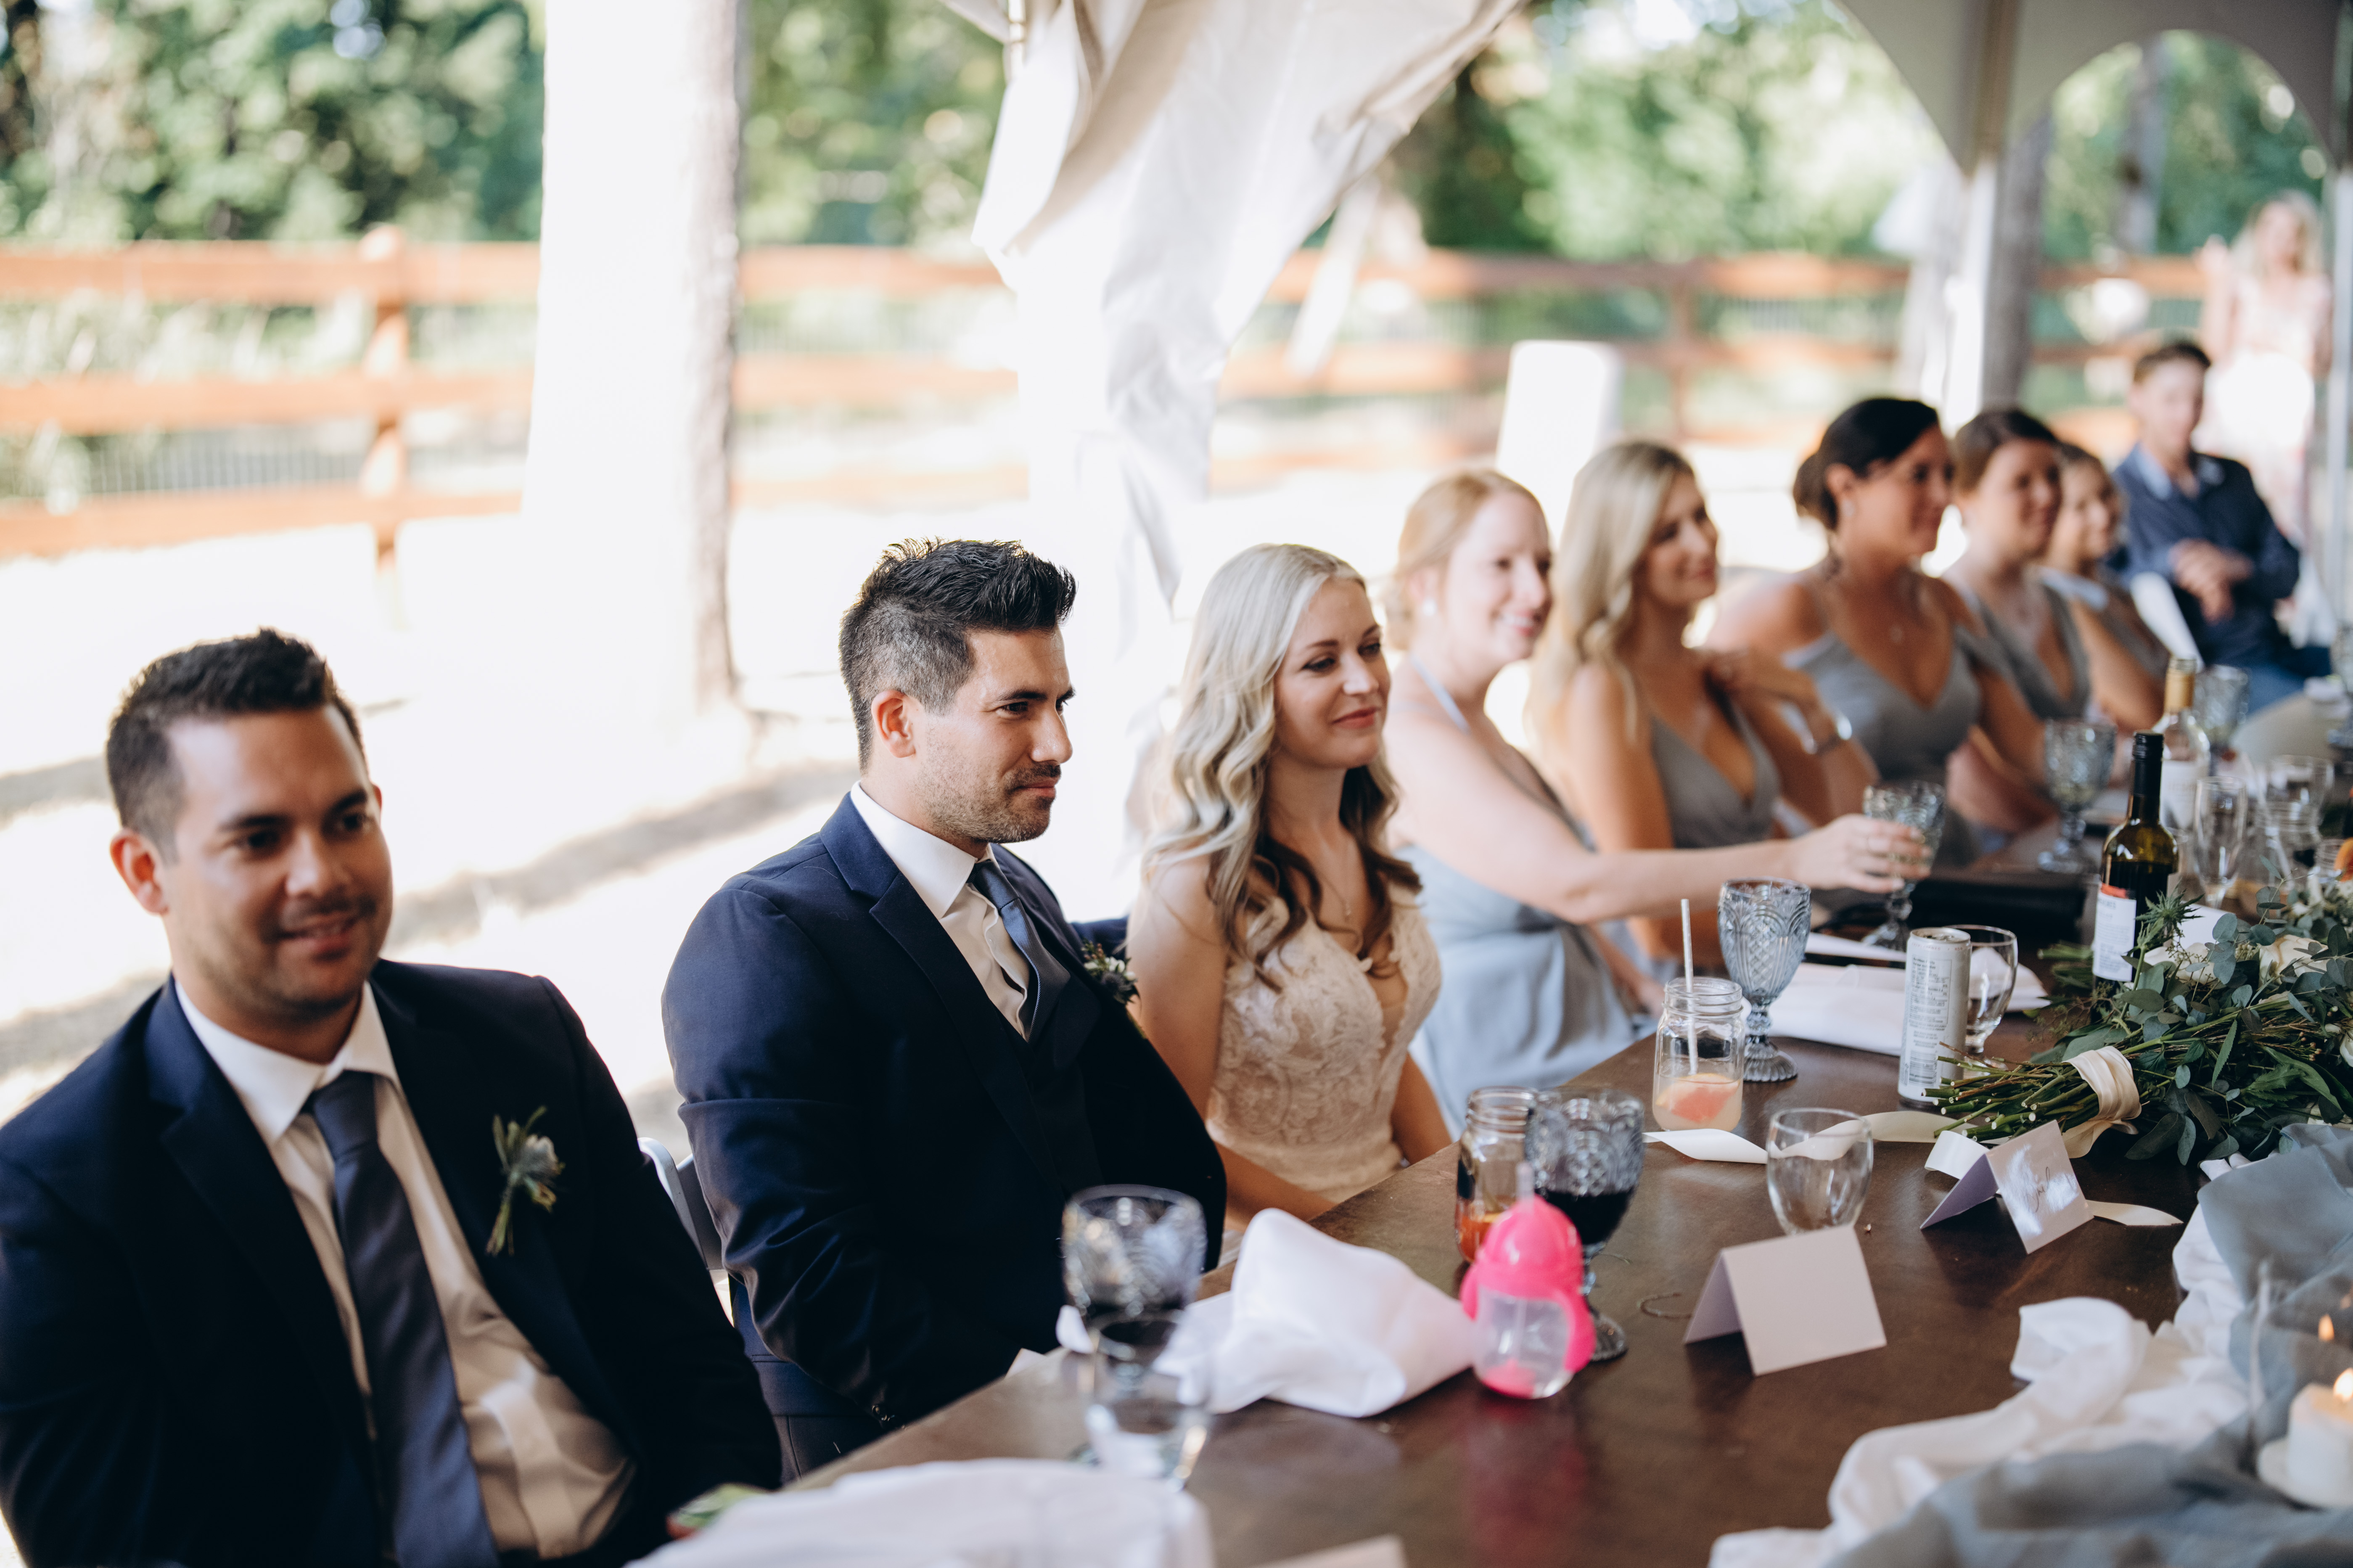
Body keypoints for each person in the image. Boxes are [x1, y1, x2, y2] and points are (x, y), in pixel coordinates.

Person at [0, 630, 778, 1568]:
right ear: (144, 870)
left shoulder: (520, 1038)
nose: (322, 873)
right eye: (259, 839)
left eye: (346, 819)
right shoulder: (53, 1194)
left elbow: (695, 1370)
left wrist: (717, 1541)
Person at [664, 540, 1222, 1481]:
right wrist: (1033, 1393)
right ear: (898, 720)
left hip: (1103, 1391)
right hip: (902, 1446)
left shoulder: (1018, 889)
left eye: (1061, 704)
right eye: (1018, 708)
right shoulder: (764, 934)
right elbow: (807, 1276)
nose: (1059, 743)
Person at [1376, 473, 1922, 1129]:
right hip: (1512, 1085)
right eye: (1502, 565)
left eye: (1543, 564)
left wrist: (1644, 994)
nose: (1538, 591)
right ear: (1424, 584)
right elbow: (1577, 887)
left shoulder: (1478, 724)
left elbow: (1559, 904)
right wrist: (1795, 862)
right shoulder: (1410, 733)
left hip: (1599, 1036)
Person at [1128, 545, 1452, 1228]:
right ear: (1249, 687)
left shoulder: (1364, 835)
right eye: (1321, 662)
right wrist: (1359, 1231)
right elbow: (1174, 1139)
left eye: (1371, 648)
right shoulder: (1196, 885)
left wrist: (1456, 1193)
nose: (1365, 681)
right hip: (1268, 1240)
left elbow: (1381, 1049)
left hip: (1391, 1214)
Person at [1530, 446, 1876, 970]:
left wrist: (1807, 700)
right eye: (1668, 534)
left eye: (1700, 516)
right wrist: (1820, 950)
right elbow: (1657, 930)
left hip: (1774, 962)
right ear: (1623, 555)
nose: (1701, 542)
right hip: (1689, 989)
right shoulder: (1602, 690)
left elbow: (1848, 821)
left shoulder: (1719, 674)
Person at [1709, 397, 2047, 866]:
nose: (1944, 497)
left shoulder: (1946, 602)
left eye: (1948, 475)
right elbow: (1701, 730)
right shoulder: (1789, 607)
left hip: (1952, 869)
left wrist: (2133, 760)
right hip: (1840, 878)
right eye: (1918, 475)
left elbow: (2027, 746)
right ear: (1846, 487)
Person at [2112, 339, 2330, 716]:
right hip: (2210, 675)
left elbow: (2288, 569)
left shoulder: (2234, 478)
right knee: (2318, 717)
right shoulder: (2115, 494)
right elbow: (2107, 581)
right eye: (2171, 400)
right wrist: (2177, 563)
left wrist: (2233, 567)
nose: (2187, 414)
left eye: (2197, 399)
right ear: (2138, 399)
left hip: (2277, 649)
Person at [1941, 409, 2080, 837]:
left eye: (2053, 476)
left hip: (2069, 822)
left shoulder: (2054, 598)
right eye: (2021, 483)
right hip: (1999, 842)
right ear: (1967, 497)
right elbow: (1969, 780)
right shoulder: (1950, 604)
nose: (2047, 495)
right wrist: (2062, 836)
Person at [2198, 193, 2331, 547]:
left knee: (2284, 500)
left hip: (2286, 412)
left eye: (2289, 232)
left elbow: (2324, 361)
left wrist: (2280, 347)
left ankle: (2280, 564)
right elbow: (2214, 347)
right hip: (2238, 407)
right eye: (2270, 227)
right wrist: (2218, 285)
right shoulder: (2241, 283)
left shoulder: (2318, 290)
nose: (2278, 240)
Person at [2038, 443, 2168, 730]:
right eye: (2080, 507)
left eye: (2106, 494)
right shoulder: (2058, 601)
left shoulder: (2111, 588)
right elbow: (2153, 714)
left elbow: (2184, 683)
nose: (2103, 515)